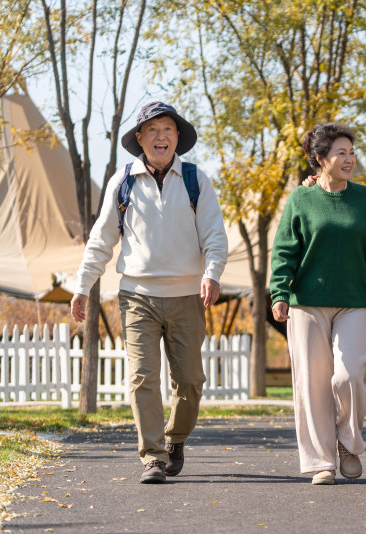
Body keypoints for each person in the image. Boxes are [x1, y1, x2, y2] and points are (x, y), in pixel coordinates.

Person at [70, 101, 228, 484]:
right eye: (153, 129)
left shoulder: (195, 179)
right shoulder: (122, 182)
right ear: (139, 138)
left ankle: (175, 439)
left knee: (190, 381)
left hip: (187, 295)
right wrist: (82, 285)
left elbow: (214, 235)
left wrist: (212, 273)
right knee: (143, 377)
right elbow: (102, 240)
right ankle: (153, 456)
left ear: (178, 137)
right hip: (136, 295)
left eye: (168, 129)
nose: (161, 136)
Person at [269, 122, 366, 485]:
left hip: (354, 301)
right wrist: (279, 292)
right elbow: (284, 251)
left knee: (351, 374)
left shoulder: (364, 198)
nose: (350, 159)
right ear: (321, 159)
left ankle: (349, 443)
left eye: (352, 153)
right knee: (312, 385)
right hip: (307, 303)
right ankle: (320, 463)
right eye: (341, 153)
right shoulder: (300, 199)